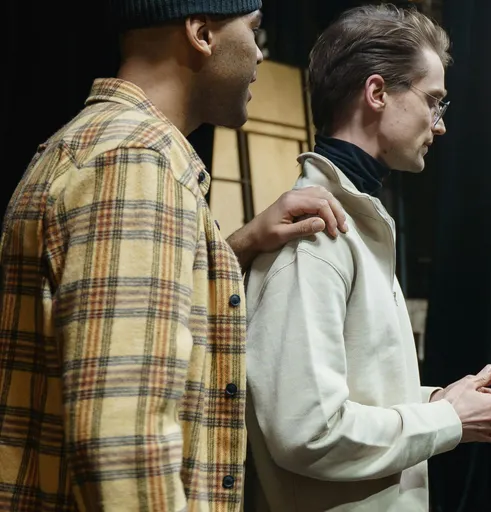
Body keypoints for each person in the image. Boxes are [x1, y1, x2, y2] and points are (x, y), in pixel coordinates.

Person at [0, 1, 347, 510]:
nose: (258, 54)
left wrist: (235, 247)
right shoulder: (133, 166)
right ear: (202, 32)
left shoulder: (103, 148)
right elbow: (122, 444)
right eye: (253, 32)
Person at [241, 4, 491, 511]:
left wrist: (439, 402)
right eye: (434, 101)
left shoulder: (354, 224)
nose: (440, 125)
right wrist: (450, 419)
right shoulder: (317, 235)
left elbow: (350, 397)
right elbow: (307, 433)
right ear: (378, 93)